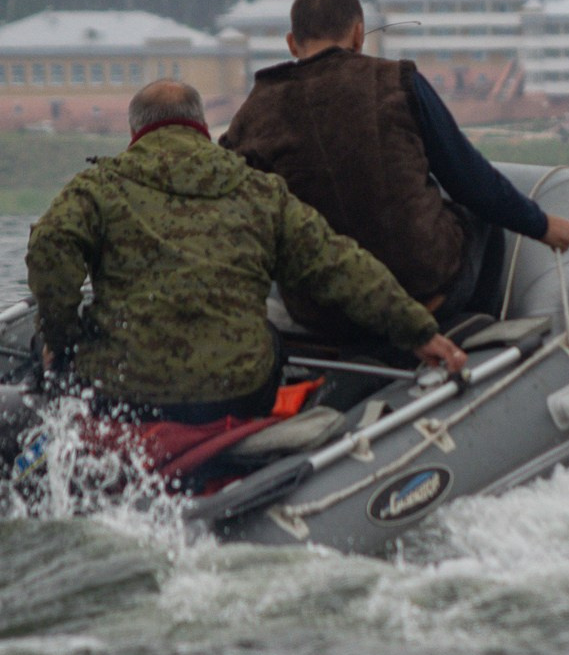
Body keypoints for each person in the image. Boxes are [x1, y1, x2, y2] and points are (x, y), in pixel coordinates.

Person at [26, 80, 467, 424]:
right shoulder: (261, 191)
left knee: (48, 353)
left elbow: (49, 246)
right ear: (201, 127)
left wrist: (63, 340)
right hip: (234, 391)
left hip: (126, 393)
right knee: (269, 342)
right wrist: (418, 331)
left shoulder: (97, 188)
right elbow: (339, 264)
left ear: (134, 132)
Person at [221, 0, 569, 335]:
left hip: (320, 313)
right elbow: (473, 182)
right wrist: (541, 225)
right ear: (359, 34)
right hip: (425, 294)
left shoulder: (256, 111)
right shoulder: (397, 82)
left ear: (291, 43)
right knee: (480, 219)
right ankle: (467, 337)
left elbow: (230, 200)